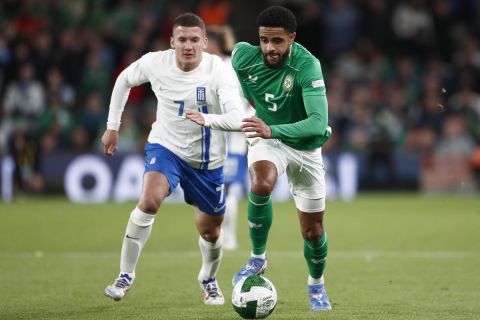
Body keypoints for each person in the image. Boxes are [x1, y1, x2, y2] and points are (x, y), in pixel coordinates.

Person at [187, 5, 333, 310]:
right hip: (268, 140)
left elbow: (318, 123)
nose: (270, 48)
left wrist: (272, 127)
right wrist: (260, 125)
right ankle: (257, 257)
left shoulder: (308, 66)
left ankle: (316, 285)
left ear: (291, 38)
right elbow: (245, 94)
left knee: (313, 231)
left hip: (305, 146)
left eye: (277, 41)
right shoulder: (242, 57)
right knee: (261, 183)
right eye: (264, 40)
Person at [102, 13, 244, 305]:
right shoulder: (156, 62)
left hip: (207, 162)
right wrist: (112, 127)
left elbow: (237, 117)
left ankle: (208, 279)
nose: (188, 45)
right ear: (172, 41)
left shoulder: (219, 71)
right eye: (182, 39)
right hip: (166, 147)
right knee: (150, 200)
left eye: (194, 40)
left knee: (211, 230)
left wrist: (206, 119)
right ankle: (124, 276)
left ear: (205, 42)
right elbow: (124, 80)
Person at [205, 25, 253, 250]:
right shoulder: (215, 67)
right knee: (221, 187)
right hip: (219, 134)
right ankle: (222, 234)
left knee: (228, 187)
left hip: (231, 134)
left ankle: (229, 237)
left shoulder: (226, 67)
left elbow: (246, 99)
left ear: (214, 45)